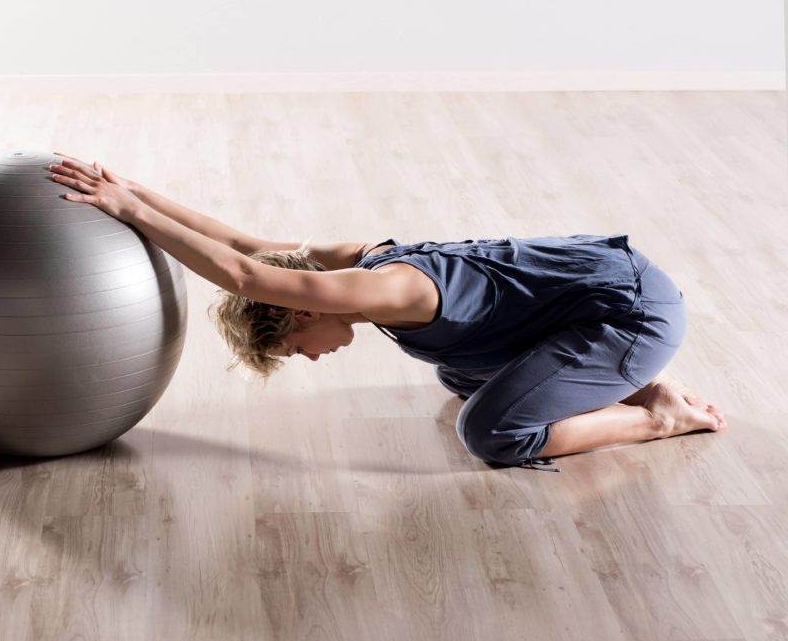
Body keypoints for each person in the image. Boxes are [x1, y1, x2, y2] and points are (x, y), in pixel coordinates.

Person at [48, 152, 727, 473]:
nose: (311, 357)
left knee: (490, 432)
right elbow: (243, 243)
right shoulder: (342, 256)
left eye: (294, 348)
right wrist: (132, 185)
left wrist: (127, 210)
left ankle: (654, 416)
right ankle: (630, 380)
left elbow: (241, 270)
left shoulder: (379, 291)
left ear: (297, 311)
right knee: (458, 375)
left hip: (632, 311)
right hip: (604, 286)